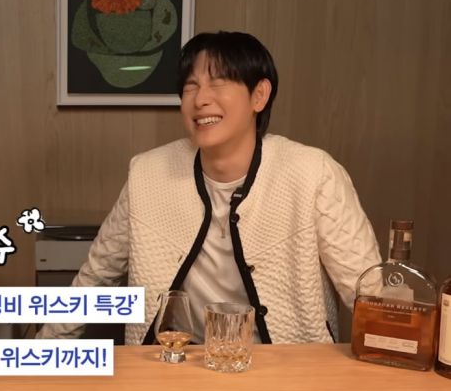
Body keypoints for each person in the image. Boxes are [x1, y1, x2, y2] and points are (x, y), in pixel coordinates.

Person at [37, 31, 381, 345]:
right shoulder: (146, 174)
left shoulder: (314, 173)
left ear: (259, 95)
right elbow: (95, 278)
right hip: (174, 365)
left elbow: (368, 294)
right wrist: (35, 358)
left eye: (218, 82)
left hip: (287, 371)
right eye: (190, 86)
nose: (200, 99)